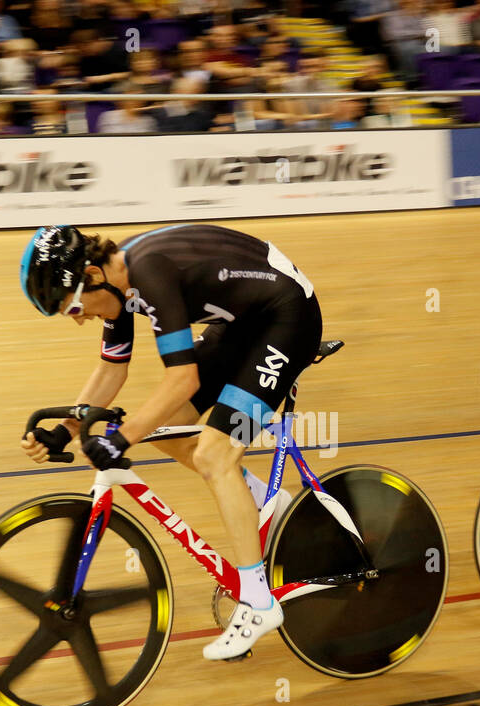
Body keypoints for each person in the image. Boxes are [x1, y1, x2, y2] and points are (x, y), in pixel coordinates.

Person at [18, 224, 322, 659]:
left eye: (72, 309)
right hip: (243, 326)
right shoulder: (116, 284)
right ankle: (265, 506)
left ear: (91, 275)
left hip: (287, 320)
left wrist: (121, 437)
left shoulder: (150, 273)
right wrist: (64, 429)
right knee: (166, 431)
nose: (80, 319)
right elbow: (111, 370)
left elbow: (183, 378)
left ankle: (258, 601)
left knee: (215, 452)